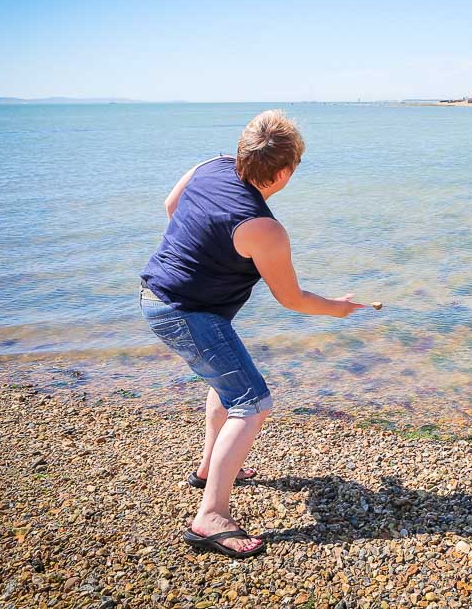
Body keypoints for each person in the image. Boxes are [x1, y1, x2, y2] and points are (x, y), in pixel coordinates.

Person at [140, 109, 366, 559]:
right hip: (188, 313)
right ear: (283, 172)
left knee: (226, 385)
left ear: (242, 149)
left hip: (157, 296)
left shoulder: (211, 166)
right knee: (253, 402)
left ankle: (208, 469)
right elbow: (292, 298)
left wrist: (200, 253)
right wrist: (338, 309)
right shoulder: (263, 228)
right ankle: (211, 516)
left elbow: (171, 207)